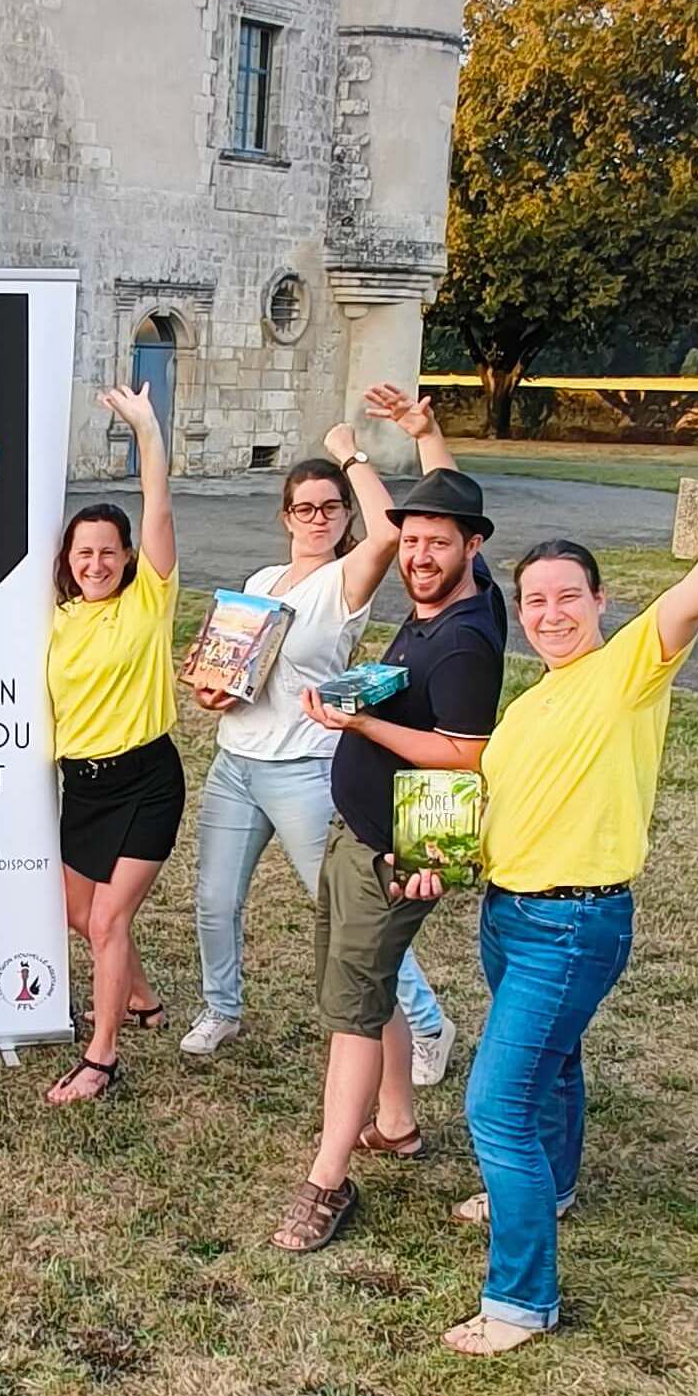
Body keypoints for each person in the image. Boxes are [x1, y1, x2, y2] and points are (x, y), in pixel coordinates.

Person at [442, 439, 698, 1357]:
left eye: (568, 596)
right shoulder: (533, 701)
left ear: (602, 602)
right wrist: (444, 854)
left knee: (493, 1104)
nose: (551, 613)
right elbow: (508, 804)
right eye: (537, 600)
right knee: (550, 1067)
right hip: (509, 912)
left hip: (572, 920)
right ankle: (550, 1184)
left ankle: (521, 1300)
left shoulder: (631, 668)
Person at [270, 423, 505, 1252]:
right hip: (358, 834)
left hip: (390, 855)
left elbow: (466, 756)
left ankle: (326, 1181)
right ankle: (396, 1120)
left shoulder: (467, 641)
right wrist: (427, 437)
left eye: (438, 543)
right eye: (411, 541)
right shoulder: (458, 598)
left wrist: (361, 721)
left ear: (472, 548)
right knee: (367, 991)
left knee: (351, 1013)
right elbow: (450, 497)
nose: (418, 556)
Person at [181, 399, 453, 1085]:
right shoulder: (261, 583)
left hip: (305, 767)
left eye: (330, 506)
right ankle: (222, 1007)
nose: (318, 517)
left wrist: (351, 453)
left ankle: (426, 1022)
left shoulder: (345, 580)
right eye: (304, 507)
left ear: (342, 514)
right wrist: (212, 690)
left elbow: (391, 533)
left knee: (349, 912)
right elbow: (232, 671)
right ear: (286, 515)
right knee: (215, 896)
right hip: (237, 759)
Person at [43, 380, 182, 1105]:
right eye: (82, 552)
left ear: (128, 557)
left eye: (107, 550)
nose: (94, 561)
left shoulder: (149, 601)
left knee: (107, 917)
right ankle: (140, 994)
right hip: (84, 786)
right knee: (77, 914)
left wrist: (145, 429)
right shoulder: (57, 618)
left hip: (147, 780)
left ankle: (101, 1058)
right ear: (67, 560)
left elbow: (157, 504)